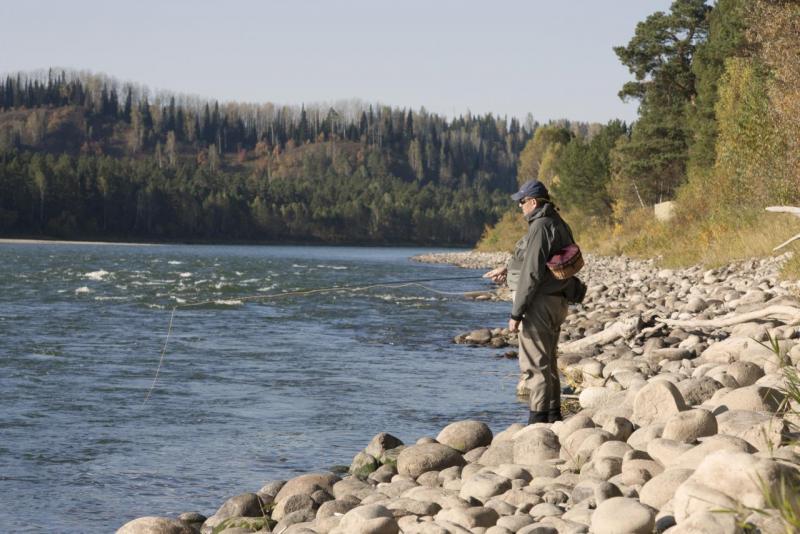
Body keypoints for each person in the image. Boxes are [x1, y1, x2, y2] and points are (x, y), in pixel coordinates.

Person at [484, 179, 580, 424]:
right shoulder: (558, 223)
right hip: (557, 300)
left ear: (534, 202)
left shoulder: (539, 226)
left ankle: (537, 423)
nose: (520, 206)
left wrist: (516, 313)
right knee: (548, 362)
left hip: (540, 303)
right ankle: (553, 417)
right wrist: (508, 269)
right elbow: (540, 262)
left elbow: (533, 272)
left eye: (522, 201)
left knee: (535, 366)